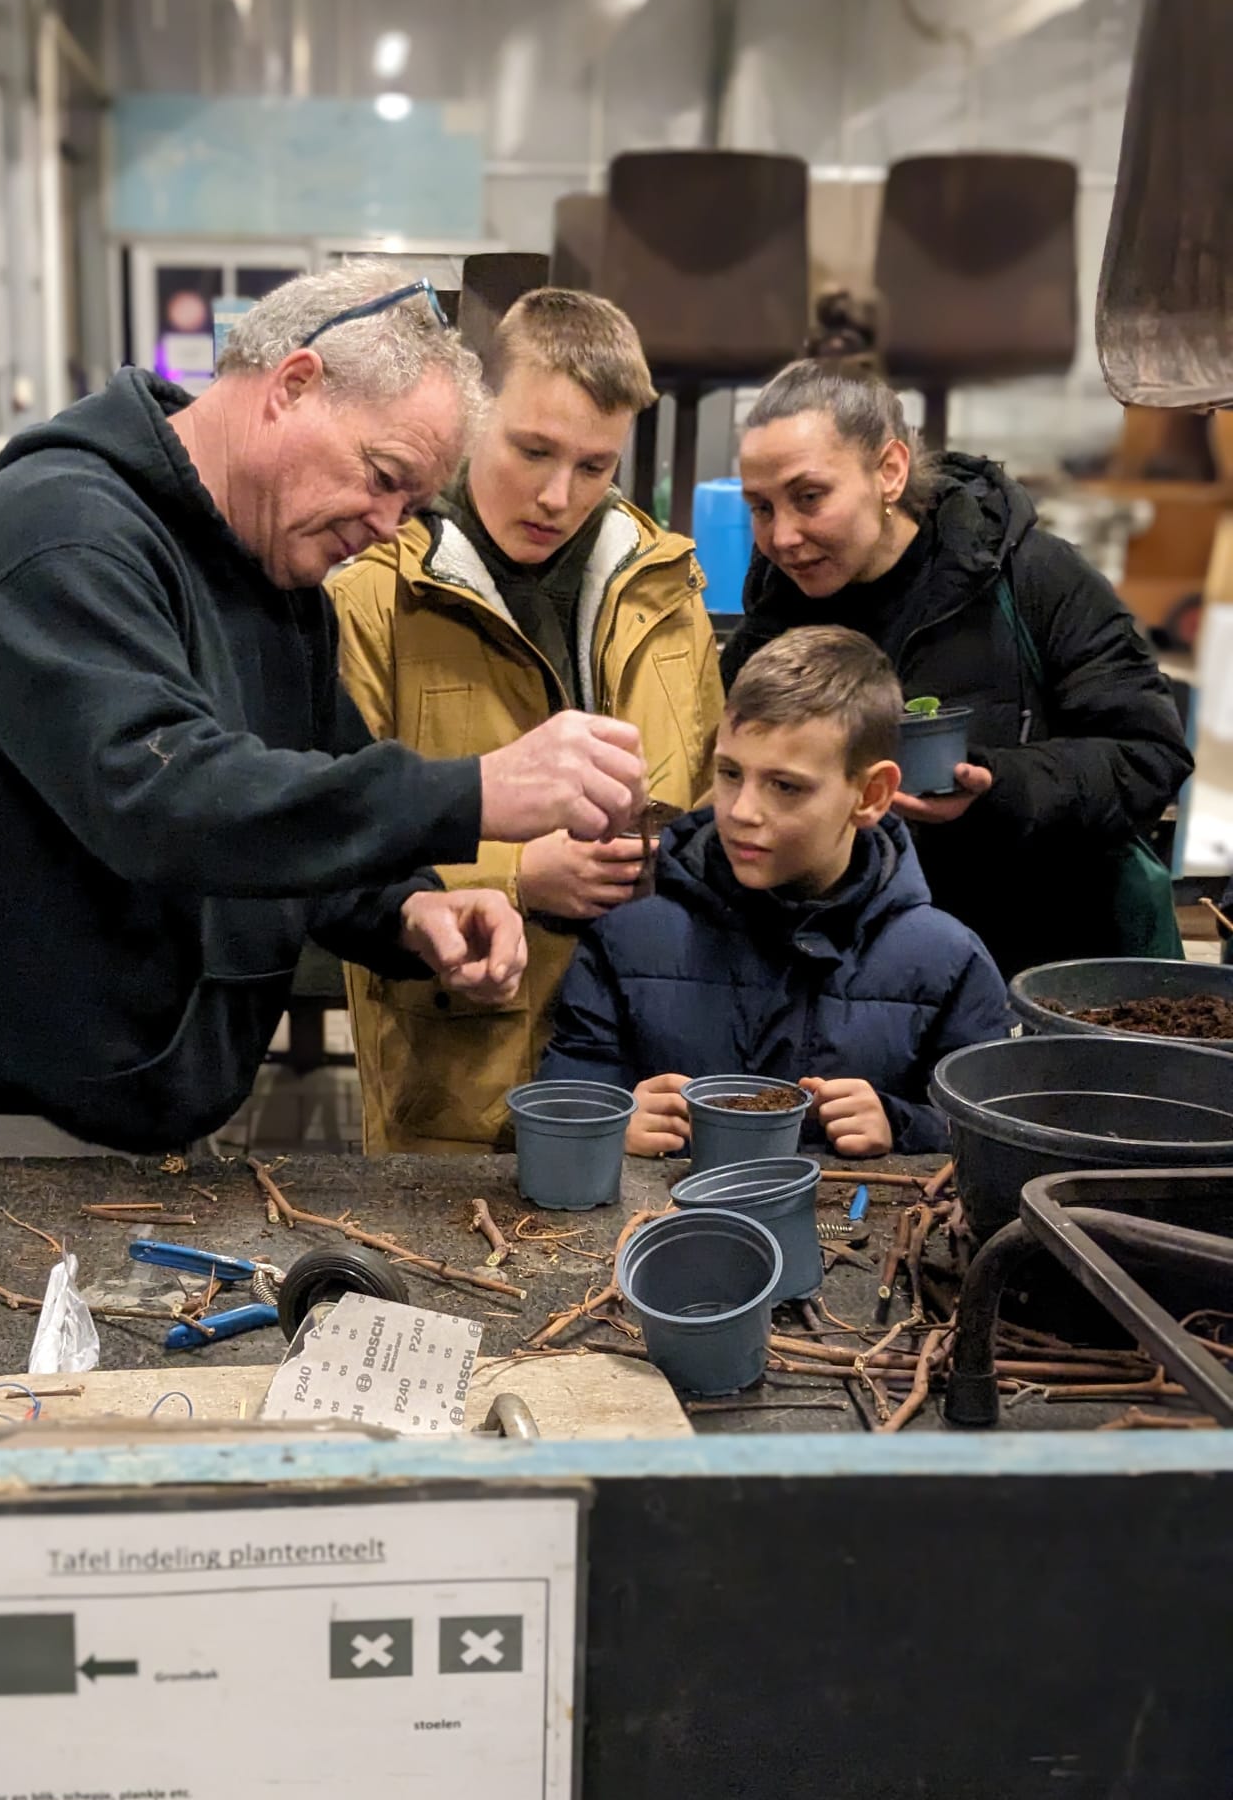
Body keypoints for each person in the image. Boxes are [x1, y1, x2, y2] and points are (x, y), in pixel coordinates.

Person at [0, 265, 648, 1160]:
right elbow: (162, 797)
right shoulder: (55, 538)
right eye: (382, 476)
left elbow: (306, 798)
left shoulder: (274, 575)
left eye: (413, 504)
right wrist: (480, 792)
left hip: (155, 1130)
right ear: (292, 386)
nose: (387, 524)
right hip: (3, 1146)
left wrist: (405, 911)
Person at [332, 287, 721, 1152]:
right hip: (459, 1092)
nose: (558, 494)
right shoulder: (374, 597)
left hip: (649, 1078)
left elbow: (702, 800)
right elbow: (332, 835)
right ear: (475, 414)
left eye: (594, 466)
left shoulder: (670, 590)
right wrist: (516, 873)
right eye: (533, 449)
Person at [723, 361, 1193, 978]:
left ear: (889, 471)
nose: (782, 537)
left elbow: (1149, 757)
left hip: (1029, 978)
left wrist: (999, 786)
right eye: (760, 508)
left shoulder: (1029, 579)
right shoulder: (771, 614)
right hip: (844, 982)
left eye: (809, 497)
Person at [539, 627, 1014, 1159]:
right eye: (730, 773)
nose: (742, 811)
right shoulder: (626, 938)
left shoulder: (947, 963)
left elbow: (997, 1131)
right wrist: (610, 1124)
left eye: (785, 786)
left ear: (871, 794)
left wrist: (903, 1125)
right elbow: (561, 1106)